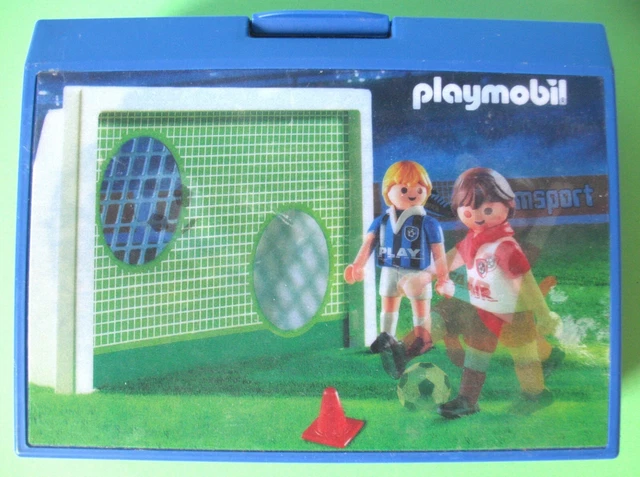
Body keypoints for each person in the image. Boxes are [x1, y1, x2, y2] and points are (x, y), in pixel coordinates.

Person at [437, 167, 563, 419]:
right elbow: (451, 259)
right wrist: (427, 275)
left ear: (507, 206)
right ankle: (467, 400)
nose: (478, 217)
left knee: (524, 356)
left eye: (487, 210)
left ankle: (535, 394)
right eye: (468, 211)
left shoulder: (505, 247)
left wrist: (543, 313)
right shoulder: (472, 241)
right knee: (476, 353)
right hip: (484, 308)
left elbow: (526, 281)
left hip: (514, 313)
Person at [344, 160, 452, 377]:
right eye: (404, 189)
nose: (412, 194)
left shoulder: (428, 223)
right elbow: (369, 243)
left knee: (420, 307)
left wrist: (443, 278)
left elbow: (439, 253)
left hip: (417, 273)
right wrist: (357, 265)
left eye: (419, 189)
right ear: (388, 191)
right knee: (388, 306)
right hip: (389, 270)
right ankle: (386, 337)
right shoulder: (382, 221)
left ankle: (423, 339)